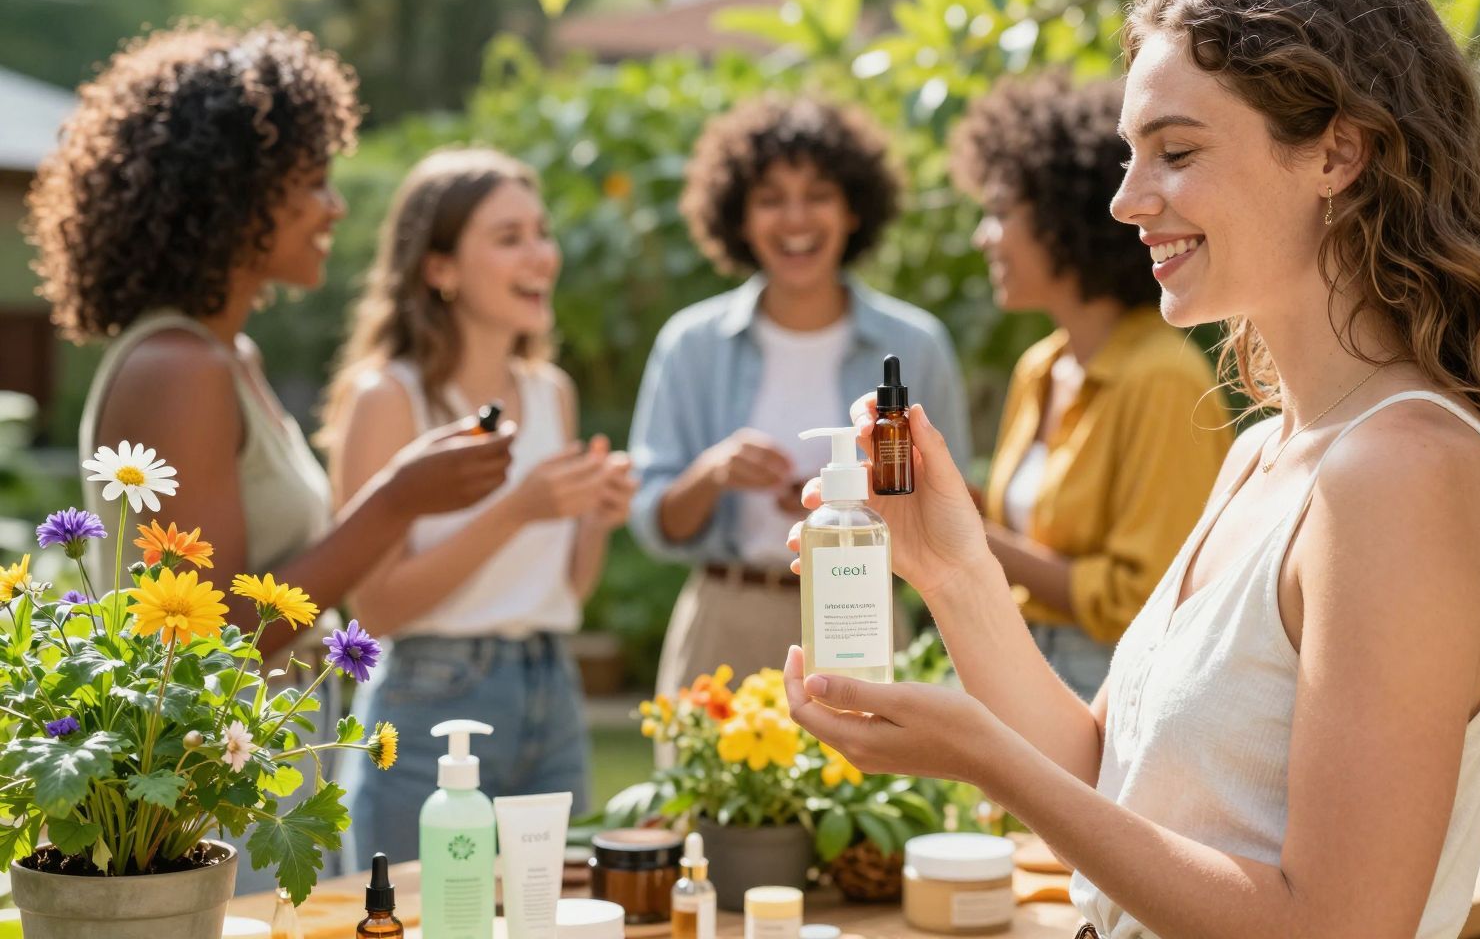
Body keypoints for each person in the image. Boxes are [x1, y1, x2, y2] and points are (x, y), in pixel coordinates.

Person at [784, 0, 1480, 939]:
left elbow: (1340, 926)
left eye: (1176, 153)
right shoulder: (1262, 453)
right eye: (1130, 154)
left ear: (1337, 154)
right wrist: (954, 568)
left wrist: (984, 757)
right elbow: (1111, 774)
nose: (1126, 199)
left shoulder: (1403, 472)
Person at [28, 22, 515, 894]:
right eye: (313, 181)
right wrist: (398, 499)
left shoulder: (230, 358)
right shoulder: (178, 370)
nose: (335, 207)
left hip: (263, 768)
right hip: (202, 806)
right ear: (234, 194)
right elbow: (210, 643)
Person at [323, 147, 636, 867]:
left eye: (541, 232)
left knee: (549, 912)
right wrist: (519, 509)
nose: (541, 255)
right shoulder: (389, 399)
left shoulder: (552, 392)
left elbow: (567, 591)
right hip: (427, 705)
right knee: (418, 913)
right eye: (509, 237)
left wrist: (595, 515)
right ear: (441, 269)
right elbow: (374, 610)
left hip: (552, 687)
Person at [629, 95, 972, 701]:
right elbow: (654, 522)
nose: (795, 219)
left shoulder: (915, 345)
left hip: (864, 613)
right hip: (727, 619)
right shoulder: (691, 344)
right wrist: (712, 473)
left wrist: (852, 501)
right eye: (770, 199)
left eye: (818, 195)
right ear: (738, 216)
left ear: (854, 209)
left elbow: (952, 506)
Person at [950, 74, 1231, 699]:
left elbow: (1142, 596)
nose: (982, 236)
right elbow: (1033, 536)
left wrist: (969, 539)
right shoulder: (1041, 366)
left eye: (1000, 212)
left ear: (1062, 218)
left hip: (1114, 685)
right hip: (1028, 664)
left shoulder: (1163, 377)